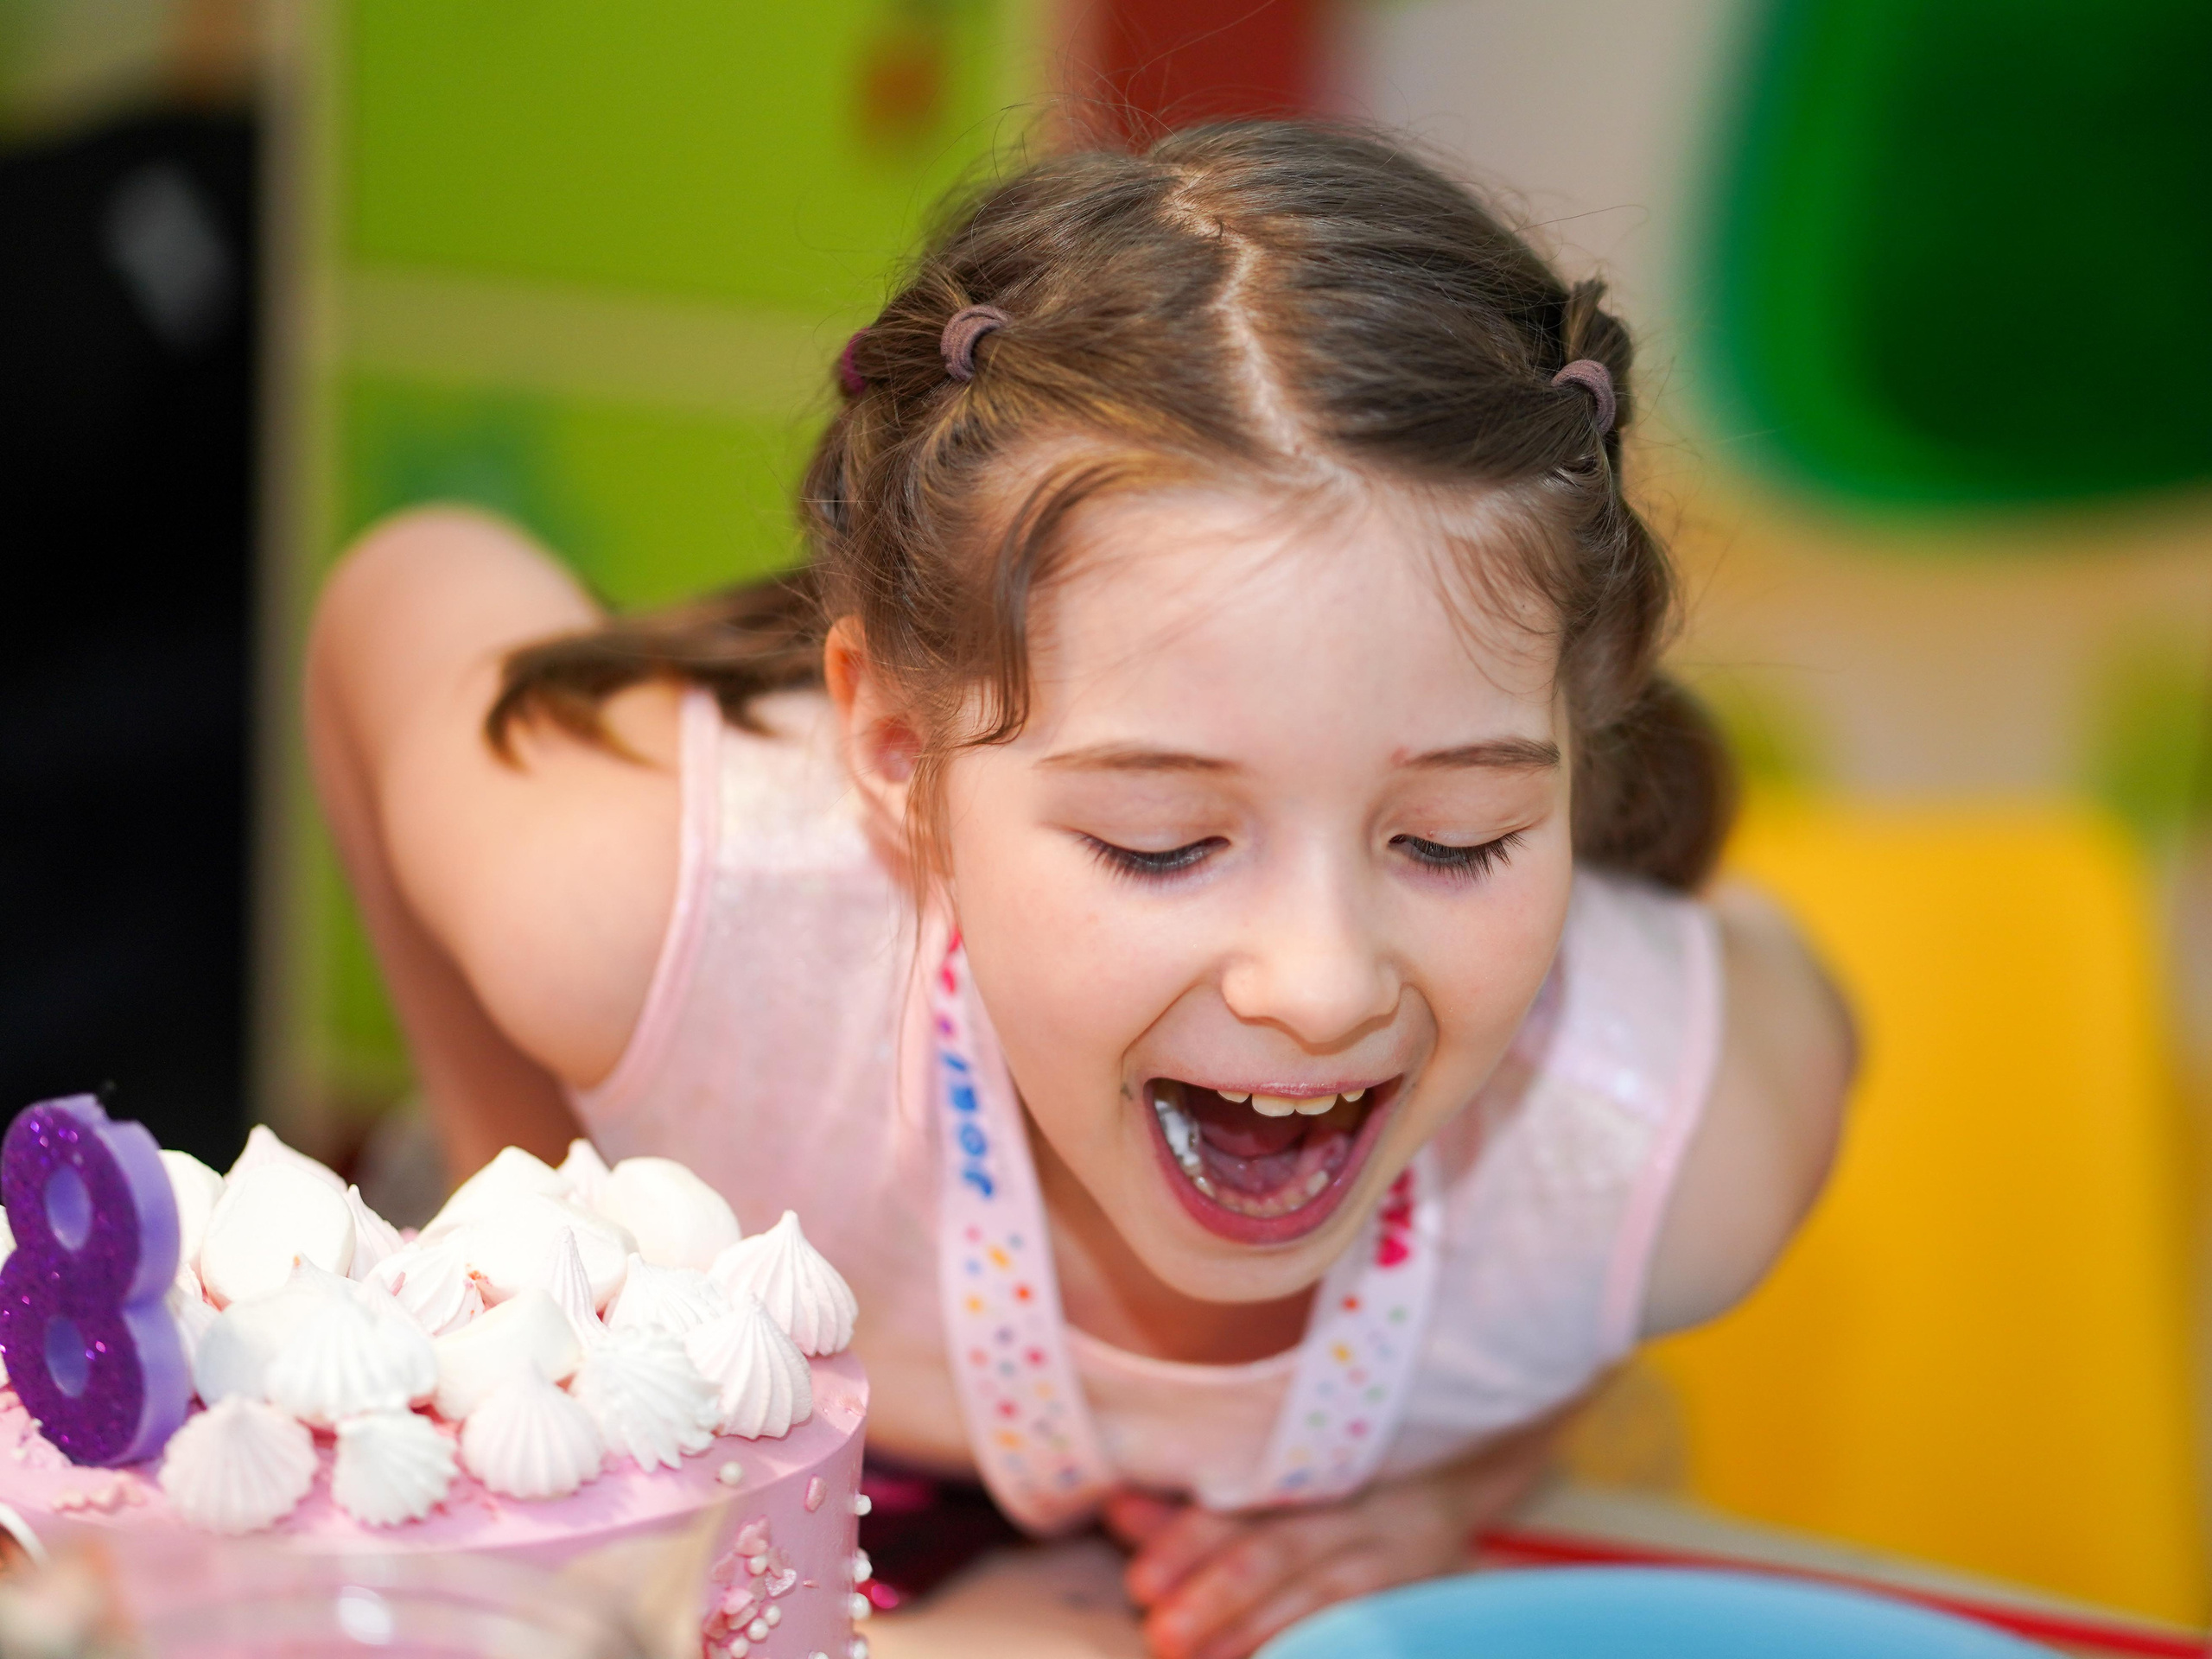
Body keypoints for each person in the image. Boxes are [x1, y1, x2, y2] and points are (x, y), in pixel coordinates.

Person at [307, 123, 1853, 1659]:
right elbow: (403, 591)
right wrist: (528, 1209)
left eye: (1450, 838)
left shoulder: (1662, 1140)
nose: (1321, 985)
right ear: (900, 754)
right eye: (1164, 842)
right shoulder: (648, 911)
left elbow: (1804, 1013)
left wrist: (1470, 1471)